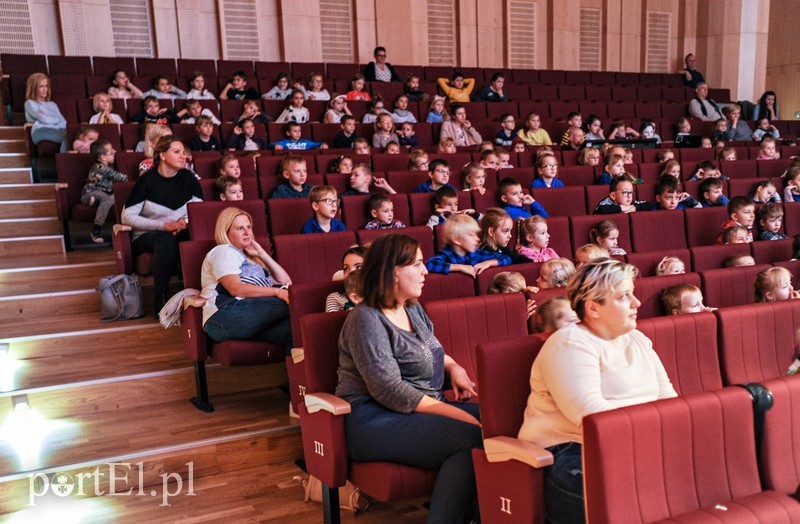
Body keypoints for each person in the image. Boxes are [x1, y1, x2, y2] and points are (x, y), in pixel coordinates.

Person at [336, 234, 482, 523]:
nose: (426, 270)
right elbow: (389, 391)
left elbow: (431, 349)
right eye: (417, 264)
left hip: (418, 408)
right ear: (393, 272)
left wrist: (454, 369)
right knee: (472, 437)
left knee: (506, 423)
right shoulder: (366, 318)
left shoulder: (412, 306)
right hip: (372, 417)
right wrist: (455, 413)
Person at [519, 258, 677, 523]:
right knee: (641, 492)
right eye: (624, 296)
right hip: (569, 452)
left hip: (631, 442)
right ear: (593, 308)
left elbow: (667, 399)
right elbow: (592, 419)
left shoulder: (636, 338)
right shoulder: (570, 344)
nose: (637, 303)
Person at [121, 137, 203, 313]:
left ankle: (203, 296)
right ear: (162, 155)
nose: (183, 156)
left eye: (183, 152)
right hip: (146, 236)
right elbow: (127, 216)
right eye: (176, 152)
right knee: (166, 240)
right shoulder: (147, 180)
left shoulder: (188, 177)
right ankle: (161, 301)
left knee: (199, 236)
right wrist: (163, 226)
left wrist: (186, 221)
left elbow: (199, 208)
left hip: (179, 230)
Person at [200, 207, 291, 349]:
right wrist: (277, 292)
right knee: (297, 302)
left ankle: (293, 370)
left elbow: (285, 282)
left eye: (249, 227)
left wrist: (261, 253)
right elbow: (235, 289)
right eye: (240, 228)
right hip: (223, 315)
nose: (247, 232)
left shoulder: (251, 260)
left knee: (294, 328)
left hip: (250, 315)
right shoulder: (223, 251)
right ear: (226, 232)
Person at [426, 214, 510, 275]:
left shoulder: (475, 253)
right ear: (456, 239)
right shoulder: (447, 255)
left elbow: (506, 258)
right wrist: (460, 267)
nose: (477, 239)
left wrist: (489, 263)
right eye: (471, 235)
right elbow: (430, 264)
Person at [81, 140, 127, 243]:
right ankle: (96, 229)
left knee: (106, 198)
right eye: (111, 152)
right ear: (103, 157)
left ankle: (95, 203)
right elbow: (122, 178)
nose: (115, 152)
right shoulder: (104, 169)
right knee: (110, 198)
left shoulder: (96, 166)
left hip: (88, 195)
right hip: (92, 194)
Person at [24, 73, 68, 152]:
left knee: (72, 134)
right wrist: (55, 119)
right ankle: (63, 162)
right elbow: (44, 119)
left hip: (57, 130)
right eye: (41, 86)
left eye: (46, 86)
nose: (45, 89)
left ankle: (64, 161)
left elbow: (63, 122)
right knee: (68, 136)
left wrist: (48, 117)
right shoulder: (30, 103)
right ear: (34, 88)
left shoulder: (52, 104)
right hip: (40, 130)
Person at [325, 246, 366, 312]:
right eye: (346, 268)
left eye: (359, 267)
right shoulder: (336, 298)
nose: (351, 272)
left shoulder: (380, 296)